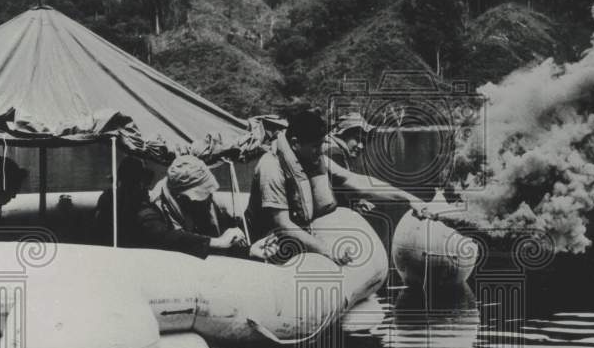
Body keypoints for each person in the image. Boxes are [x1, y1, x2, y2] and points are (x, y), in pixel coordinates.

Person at [248, 108, 430, 265]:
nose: (320, 151)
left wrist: (408, 198)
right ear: (295, 143)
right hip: (268, 242)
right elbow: (284, 224)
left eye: (321, 144)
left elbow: (356, 181)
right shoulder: (271, 167)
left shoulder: (314, 159)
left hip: (302, 238)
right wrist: (327, 251)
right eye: (315, 146)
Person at [137, 154, 249, 259]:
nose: (208, 199)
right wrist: (217, 242)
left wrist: (250, 251)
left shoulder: (205, 204)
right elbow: (167, 238)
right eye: (202, 195)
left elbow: (222, 247)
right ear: (180, 197)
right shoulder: (150, 214)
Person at [94, 156, 154, 247]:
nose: (147, 186)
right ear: (139, 182)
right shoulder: (139, 201)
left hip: (107, 244)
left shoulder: (107, 195)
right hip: (131, 247)